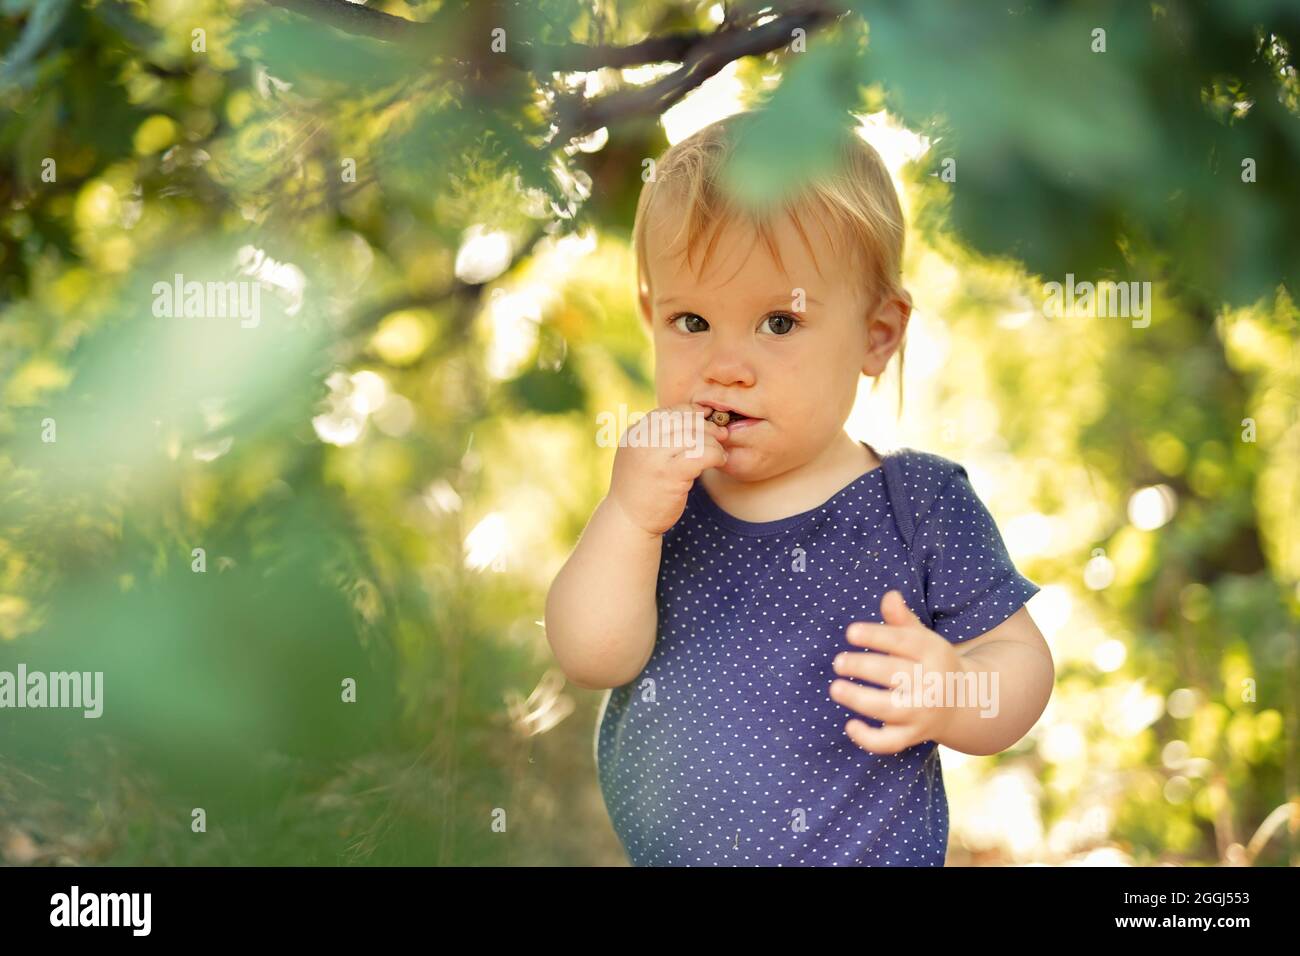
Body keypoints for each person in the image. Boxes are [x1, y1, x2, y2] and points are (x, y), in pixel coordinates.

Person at [544, 109, 1054, 865]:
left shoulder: (920, 507)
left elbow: (1023, 666)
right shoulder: (660, 495)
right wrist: (626, 519)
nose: (726, 365)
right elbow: (591, 656)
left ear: (877, 336)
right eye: (691, 321)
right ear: (650, 317)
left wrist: (956, 691)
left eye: (778, 324)